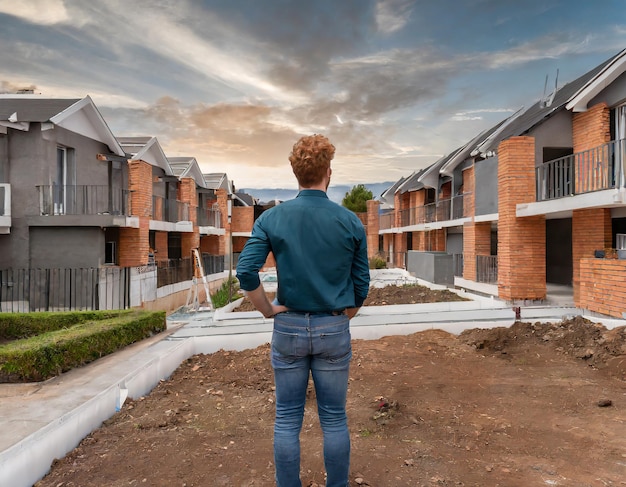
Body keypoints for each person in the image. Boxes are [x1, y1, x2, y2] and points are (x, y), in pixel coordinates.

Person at [236, 134, 370, 487]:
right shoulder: (350, 221)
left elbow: (246, 271)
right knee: (334, 419)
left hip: (289, 327)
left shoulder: (271, 219)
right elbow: (362, 284)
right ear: (328, 171)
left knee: (287, 419)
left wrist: (268, 310)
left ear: (296, 173)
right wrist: (345, 315)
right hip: (333, 327)